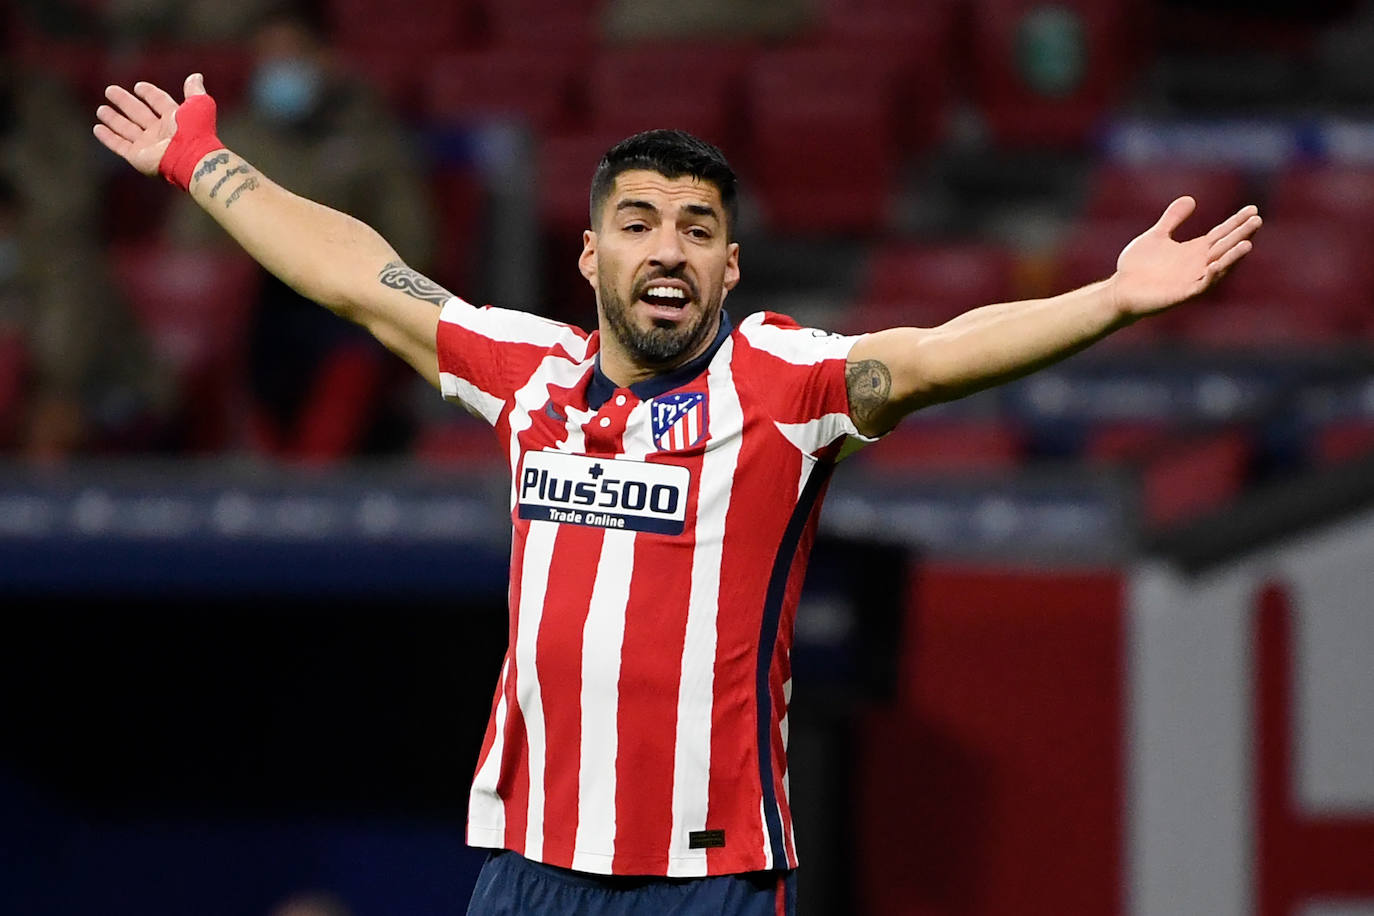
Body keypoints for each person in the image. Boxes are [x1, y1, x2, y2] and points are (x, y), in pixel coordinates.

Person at [92, 72, 1261, 914]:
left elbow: (930, 353)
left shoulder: (782, 386)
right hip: (530, 869)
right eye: (639, 222)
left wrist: (1107, 299)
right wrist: (204, 162)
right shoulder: (528, 372)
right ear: (592, 256)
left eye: (699, 229)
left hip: (709, 882)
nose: (670, 248)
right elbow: (361, 277)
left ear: (730, 267)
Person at [164, 3, 437, 461]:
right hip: (256, 305)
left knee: (354, 352)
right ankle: (259, 476)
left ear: (324, 59)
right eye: (269, 58)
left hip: (346, 301)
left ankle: (312, 481)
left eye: (291, 56)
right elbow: (188, 239)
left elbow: (415, 239)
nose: (280, 70)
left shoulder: (370, 136)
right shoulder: (234, 138)